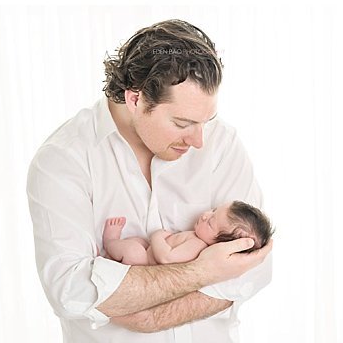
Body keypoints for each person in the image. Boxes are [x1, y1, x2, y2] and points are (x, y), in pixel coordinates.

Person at [27, 20, 274, 339]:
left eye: (206, 121)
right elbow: (71, 292)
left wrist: (144, 311)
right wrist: (204, 271)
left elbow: (255, 263)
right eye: (182, 123)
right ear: (135, 99)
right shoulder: (63, 160)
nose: (199, 140)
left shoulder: (221, 142)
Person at [103, 201, 274, 265]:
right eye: (213, 210)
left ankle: (110, 242)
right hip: (149, 252)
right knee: (138, 242)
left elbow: (166, 258)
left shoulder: (197, 246)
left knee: (135, 251)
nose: (205, 214)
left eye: (211, 222)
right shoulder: (197, 238)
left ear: (220, 244)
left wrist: (157, 236)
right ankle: (111, 257)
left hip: (145, 262)